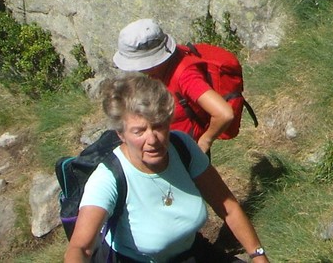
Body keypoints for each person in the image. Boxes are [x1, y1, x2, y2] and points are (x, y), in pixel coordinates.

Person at [65, 74, 269, 263]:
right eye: (139, 131)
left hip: (194, 253)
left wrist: (258, 256)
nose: (152, 139)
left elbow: (227, 206)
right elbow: (81, 248)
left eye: (158, 126)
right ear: (121, 134)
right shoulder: (108, 178)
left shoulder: (182, 147)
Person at [113, 20, 235, 156]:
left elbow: (224, 114)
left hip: (186, 150)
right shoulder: (166, 65)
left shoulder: (186, 76)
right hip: (169, 145)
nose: (138, 69)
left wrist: (205, 142)